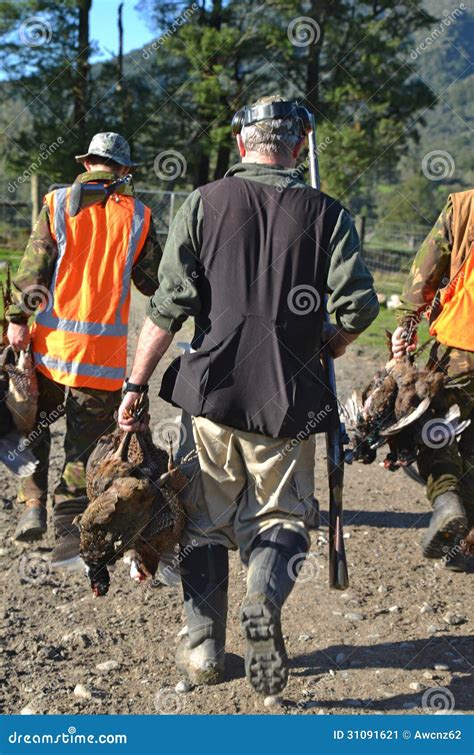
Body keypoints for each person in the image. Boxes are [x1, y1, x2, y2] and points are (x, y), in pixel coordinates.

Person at [118, 95, 379, 695]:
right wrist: (334, 343)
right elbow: (361, 304)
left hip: (210, 395)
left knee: (204, 525)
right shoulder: (328, 214)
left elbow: (167, 308)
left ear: (242, 144)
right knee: (283, 517)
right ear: (297, 148)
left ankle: (205, 650)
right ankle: (263, 593)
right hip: (288, 403)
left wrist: (135, 385)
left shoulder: (204, 203)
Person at [6, 132, 161, 565]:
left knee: (31, 427)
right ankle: (66, 533)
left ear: (88, 162)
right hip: (102, 362)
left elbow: (34, 268)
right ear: (125, 170)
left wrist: (18, 321)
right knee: (83, 449)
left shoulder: (57, 204)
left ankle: (32, 503)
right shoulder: (140, 217)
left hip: (50, 350)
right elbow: (154, 285)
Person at [392, 189, 474, 569]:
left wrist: (407, 321)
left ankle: (446, 502)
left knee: (440, 431)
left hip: (461, 348)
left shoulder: (465, 205)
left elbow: (426, 270)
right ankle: (465, 546)